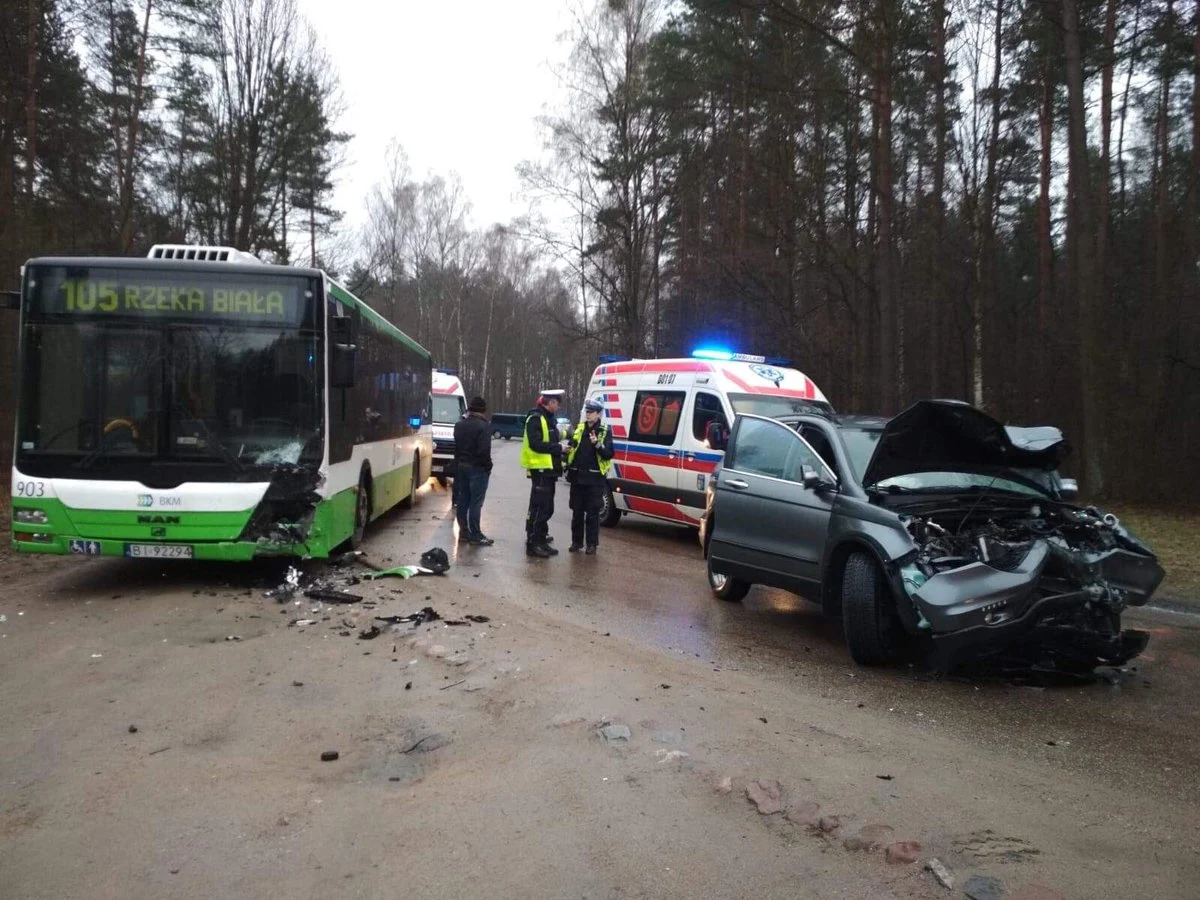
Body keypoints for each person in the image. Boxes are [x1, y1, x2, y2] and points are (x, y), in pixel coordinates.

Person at [565, 398, 615, 554]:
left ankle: (591, 544)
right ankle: (576, 542)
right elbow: (572, 447)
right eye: (587, 411)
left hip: (594, 480)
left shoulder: (605, 430)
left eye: (591, 412)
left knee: (593, 514)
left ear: (599, 414)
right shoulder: (580, 428)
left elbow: (609, 454)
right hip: (578, 477)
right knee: (577, 512)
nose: (588, 414)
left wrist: (597, 444)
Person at [521, 388, 566, 558]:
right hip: (540, 470)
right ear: (549, 402)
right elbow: (536, 444)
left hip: (549, 470)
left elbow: (552, 439)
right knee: (540, 508)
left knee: (547, 508)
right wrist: (558, 448)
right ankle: (534, 543)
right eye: (556, 403)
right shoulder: (536, 419)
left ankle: (540, 540)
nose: (558, 407)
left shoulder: (549, 419)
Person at [453, 395, 494, 545]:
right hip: (477, 468)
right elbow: (484, 451)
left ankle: (463, 532)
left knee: (462, 500)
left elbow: (457, 449)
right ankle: (476, 534)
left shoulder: (459, 425)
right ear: (483, 410)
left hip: (462, 466)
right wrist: (488, 466)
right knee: (476, 503)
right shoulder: (484, 427)